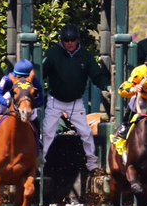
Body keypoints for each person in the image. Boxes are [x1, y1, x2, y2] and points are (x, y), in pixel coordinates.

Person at [41, 24, 110, 177]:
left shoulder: (85, 56)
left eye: (72, 40)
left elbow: (96, 75)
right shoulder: (53, 53)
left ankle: (92, 164)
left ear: (78, 40)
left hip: (75, 101)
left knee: (85, 132)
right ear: (61, 40)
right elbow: (41, 73)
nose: (69, 43)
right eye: (66, 40)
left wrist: (107, 85)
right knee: (47, 132)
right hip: (55, 100)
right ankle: (41, 163)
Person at [0, 59, 45, 139]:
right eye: (19, 77)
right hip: (10, 95)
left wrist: (32, 104)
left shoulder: (35, 81)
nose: (23, 80)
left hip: (27, 99)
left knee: (33, 116)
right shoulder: (6, 79)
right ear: (15, 74)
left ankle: (37, 139)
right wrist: (6, 102)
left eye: (26, 77)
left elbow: (41, 99)